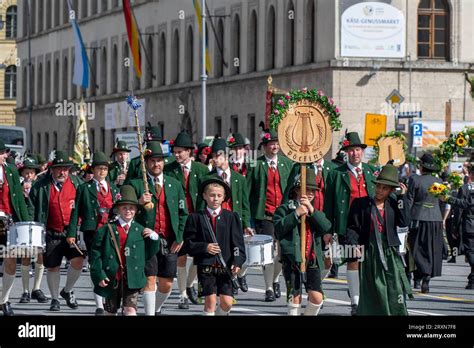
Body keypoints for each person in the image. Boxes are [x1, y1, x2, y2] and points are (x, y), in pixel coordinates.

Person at [130, 141, 188, 315]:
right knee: (150, 279)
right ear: (146, 163)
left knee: (167, 283)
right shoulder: (137, 184)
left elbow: (183, 213)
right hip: (146, 239)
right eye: (153, 161)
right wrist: (138, 203)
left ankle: (155, 309)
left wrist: (179, 237)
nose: (157, 164)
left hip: (169, 239)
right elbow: (124, 211)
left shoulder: (174, 184)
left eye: (160, 160)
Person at [347, 164, 413, 315]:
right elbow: (352, 228)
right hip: (369, 252)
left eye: (384, 188)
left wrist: (402, 196)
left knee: (394, 285)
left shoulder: (395, 204)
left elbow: (404, 222)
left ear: (391, 190)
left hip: (389, 251)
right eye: (378, 186)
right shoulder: (361, 204)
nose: (379, 190)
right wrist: (354, 245)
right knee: (373, 287)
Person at [325, 132, 377, 314]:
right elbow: (328, 203)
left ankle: (364, 296)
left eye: (357, 150)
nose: (355, 153)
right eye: (351, 150)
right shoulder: (335, 174)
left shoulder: (372, 171)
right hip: (348, 225)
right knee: (353, 259)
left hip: (370, 223)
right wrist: (328, 230)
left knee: (368, 261)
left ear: (362, 152)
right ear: (346, 153)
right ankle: (355, 302)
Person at [89, 185, 160, 315]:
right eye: (124, 208)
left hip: (132, 278)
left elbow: (148, 254)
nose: (128, 211)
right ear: (118, 209)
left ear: (136, 210)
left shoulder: (140, 230)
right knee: (110, 311)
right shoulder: (106, 229)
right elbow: (95, 255)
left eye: (132, 208)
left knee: (130, 310)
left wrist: (154, 239)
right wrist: (99, 274)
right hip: (112, 277)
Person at [28, 151, 84, 312]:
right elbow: (32, 208)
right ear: (52, 169)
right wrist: (34, 232)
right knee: (53, 266)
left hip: (72, 231)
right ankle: (54, 299)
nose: (62, 172)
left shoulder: (77, 184)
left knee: (78, 261)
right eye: (59, 168)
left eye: (65, 169)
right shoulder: (40, 185)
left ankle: (67, 290)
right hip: (51, 232)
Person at [67, 151, 120, 315]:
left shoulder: (113, 187)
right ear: (93, 170)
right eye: (99, 169)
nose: (102, 172)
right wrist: (71, 233)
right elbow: (75, 212)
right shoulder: (84, 188)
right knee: (96, 265)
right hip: (92, 231)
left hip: (110, 231)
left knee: (110, 265)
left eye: (105, 169)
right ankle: (98, 304)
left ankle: (109, 299)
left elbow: (119, 208)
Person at [184, 177, 246, 315]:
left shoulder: (231, 217)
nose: (215, 199)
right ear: (204, 196)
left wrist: (237, 261)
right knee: (210, 302)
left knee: (227, 303)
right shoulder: (195, 217)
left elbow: (238, 244)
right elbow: (188, 244)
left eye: (219, 195)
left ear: (224, 197)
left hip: (226, 266)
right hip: (206, 266)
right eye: (212, 195)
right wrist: (204, 247)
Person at [274, 169, 332, 316]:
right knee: (295, 296)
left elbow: (326, 226)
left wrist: (311, 210)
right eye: (307, 189)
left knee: (317, 297)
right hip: (292, 259)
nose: (311, 193)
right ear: (297, 189)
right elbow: (279, 228)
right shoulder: (285, 209)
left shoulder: (315, 211)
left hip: (312, 260)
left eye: (314, 190)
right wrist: (296, 214)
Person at [198, 137, 252, 292]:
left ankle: (235, 277)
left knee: (236, 253)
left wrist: (247, 225)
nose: (214, 159)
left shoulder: (239, 179)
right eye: (213, 156)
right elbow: (200, 205)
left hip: (233, 223)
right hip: (214, 222)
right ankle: (219, 284)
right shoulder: (207, 179)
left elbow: (244, 204)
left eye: (218, 156)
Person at [247, 127, 294, 302]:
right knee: (267, 253)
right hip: (264, 215)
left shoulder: (287, 164)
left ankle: (275, 280)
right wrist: (248, 219)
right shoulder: (255, 164)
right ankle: (267, 288)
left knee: (281, 254)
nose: (274, 147)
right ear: (264, 146)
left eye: (276, 143)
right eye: (270, 144)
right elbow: (247, 190)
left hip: (283, 215)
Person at [165, 131, 210, 308]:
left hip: (198, 218)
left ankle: (190, 284)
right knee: (181, 256)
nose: (176, 155)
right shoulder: (169, 169)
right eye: (174, 152)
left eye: (180, 152)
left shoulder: (201, 169)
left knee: (199, 255)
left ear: (189, 152)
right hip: (179, 219)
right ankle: (182, 294)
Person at [0, 140, 32, 316]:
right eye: (3, 153)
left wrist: (25, 223)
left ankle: (3, 299)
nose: (6, 156)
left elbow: (19, 200)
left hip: (8, 221)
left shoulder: (10, 171)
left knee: (11, 262)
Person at [405, 154, 444, 293]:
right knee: (431, 249)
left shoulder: (415, 180)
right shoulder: (439, 181)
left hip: (419, 218)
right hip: (435, 219)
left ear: (421, 167)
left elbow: (408, 202)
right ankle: (427, 275)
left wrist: (405, 219)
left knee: (415, 248)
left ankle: (424, 271)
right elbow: (441, 201)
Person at [18, 156, 48, 304]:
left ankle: (36, 288)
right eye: (26, 172)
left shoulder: (40, 186)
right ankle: (25, 291)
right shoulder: (17, 186)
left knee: (40, 255)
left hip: (38, 224)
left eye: (31, 172)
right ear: (22, 173)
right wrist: (22, 193)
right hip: (23, 224)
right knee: (25, 257)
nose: (28, 175)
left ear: (35, 174)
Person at [441, 164, 474, 289]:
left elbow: (459, 209)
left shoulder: (465, 188)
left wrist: (455, 227)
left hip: (469, 225)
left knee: (470, 251)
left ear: (471, 175)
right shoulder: (464, 188)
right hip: (468, 224)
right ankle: (472, 280)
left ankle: (472, 279)